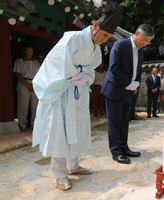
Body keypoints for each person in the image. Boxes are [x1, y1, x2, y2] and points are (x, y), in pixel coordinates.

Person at [31, 2, 123, 191]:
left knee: (77, 128)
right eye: (104, 35)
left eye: (108, 38)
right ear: (95, 26)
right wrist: (73, 75)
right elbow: (57, 62)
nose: (104, 40)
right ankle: (59, 173)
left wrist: (84, 78)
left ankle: (73, 166)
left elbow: (90, 69)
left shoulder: (95, 49)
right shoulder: (72, 38)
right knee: (61, 130)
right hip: (62, 92)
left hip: (77, 92)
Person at [101, 24, 155, 164]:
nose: (145, 44)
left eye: (148, 42)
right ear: (137, 33)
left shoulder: (140, 51)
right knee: (114, 122)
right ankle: (116, 151)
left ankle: (124, 147)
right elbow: (114, 67)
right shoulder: (120, 45)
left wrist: (136, 84)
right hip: (114, 90)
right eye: (144, 40)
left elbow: (137, 69)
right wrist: (128, 83)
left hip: (129, 90)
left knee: (125, 121)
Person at [13, 44, 40, 132]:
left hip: (35, 84)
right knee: (23, 105)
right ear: (23, 51)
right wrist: (27, 85)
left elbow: (40, 75)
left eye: (31, 51)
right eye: (28, 51)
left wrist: (34, 85)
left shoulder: (36, 62)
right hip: (23, 83)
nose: (30, 53)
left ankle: (34, 125)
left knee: (35, 106)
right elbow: (17, 74)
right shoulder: (19, 61)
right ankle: (22, 125)